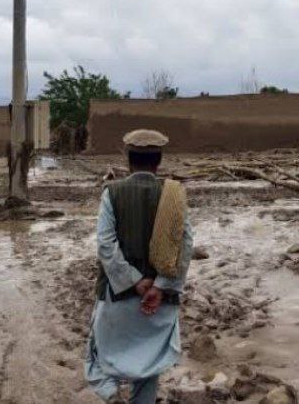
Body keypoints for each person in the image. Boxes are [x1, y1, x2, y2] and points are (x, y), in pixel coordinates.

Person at [85, 129, 194, 404]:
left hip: (118, 297)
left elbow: (106, 245)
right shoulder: (175, 195)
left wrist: (134, 281)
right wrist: (160, 287)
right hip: (159, 303)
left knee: (95, 355)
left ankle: (111, 396)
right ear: (159, 161)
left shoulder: (112, 192)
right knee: (149, 367)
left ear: (128, 160)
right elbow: (185, 246)